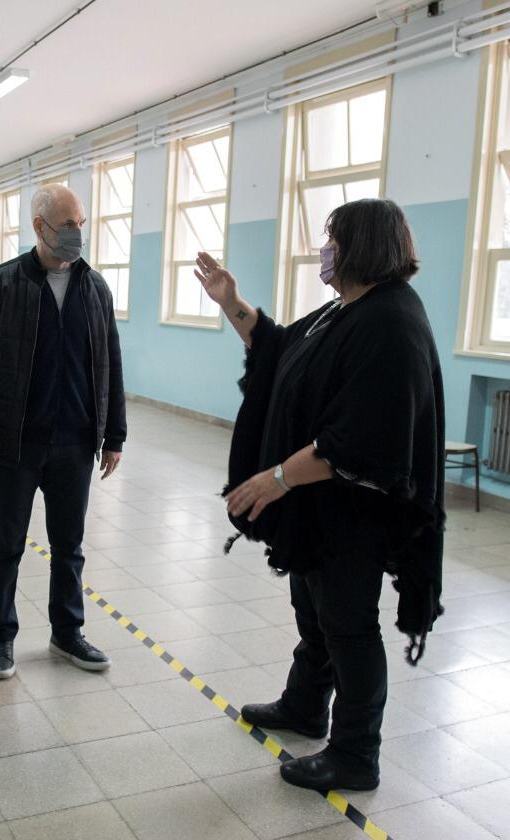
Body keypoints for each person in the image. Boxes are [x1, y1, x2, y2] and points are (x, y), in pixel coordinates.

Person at [197, 198, 445, 793]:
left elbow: (359, 441)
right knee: (316, 613)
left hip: (356, 512)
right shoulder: (347, 309)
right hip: (321, 510)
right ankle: (305, 706)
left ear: (361, 245)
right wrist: (232, 302)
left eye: (332, 238)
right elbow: (283, 348)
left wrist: (275, 478)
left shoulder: (391, 321)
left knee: (350, 627)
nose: (323, 249)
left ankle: (357, 754)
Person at [0, 184, 127, 680]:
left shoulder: (94, 287)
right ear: (39, 227)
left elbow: (111, 363)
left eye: (81, 222)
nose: (78, 233)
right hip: (17, 444)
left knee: (69, 545)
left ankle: (67, 632)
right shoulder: (1, 286)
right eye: (69, 224)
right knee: (7, 543)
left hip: (75, 443)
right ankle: (2, 636)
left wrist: (114, 434)